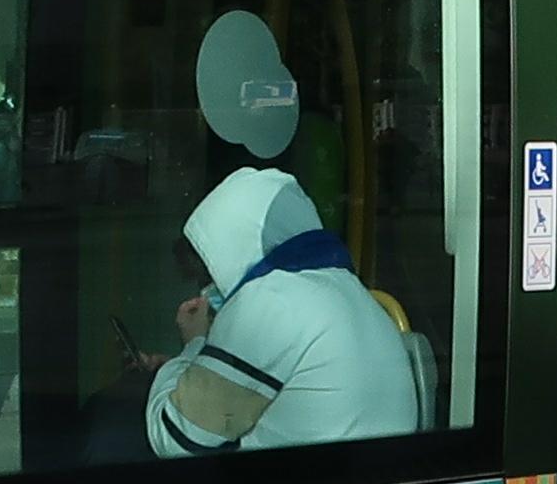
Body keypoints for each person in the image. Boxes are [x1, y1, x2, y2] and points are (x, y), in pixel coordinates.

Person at [131, 161, 422, 458]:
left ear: (231, 250)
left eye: (210, 271)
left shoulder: (268, 302)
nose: (208, 286)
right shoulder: (348, 289)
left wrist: (193, 344)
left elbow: (174, 440)